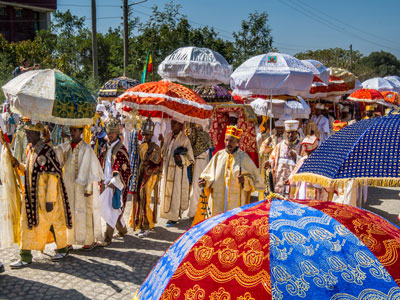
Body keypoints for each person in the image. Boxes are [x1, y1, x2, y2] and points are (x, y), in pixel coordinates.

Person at [10, 121, 72, 269]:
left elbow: (53, 176)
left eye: (29, 133)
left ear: (37, 134)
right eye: (26, 133)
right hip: (31, 196)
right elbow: (29, 170)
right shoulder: (31, 149)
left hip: (45, 197)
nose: (27, 136)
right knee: (27, 224)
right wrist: (18, 165)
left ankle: (62, 248)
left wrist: (50, 200)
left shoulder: (47, 151)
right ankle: (25, 255)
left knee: (52, 223)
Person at [55, 126, 104, 250]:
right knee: (69, 211)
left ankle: (88, 240)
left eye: (75, 130)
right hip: (69, 185)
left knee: (85, 212)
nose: (72, 133)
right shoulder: (65, 147)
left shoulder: (87, 149)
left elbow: (92, 171)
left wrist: (88, 188)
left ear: (81, 131)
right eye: (71, 130)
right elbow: (57, 160)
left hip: (83, 188)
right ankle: (69, 240)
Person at [198, 126, 265, 216]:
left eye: (231, 141)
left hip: (236, 199)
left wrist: (244, 180)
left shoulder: (244, 158)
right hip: (218, 197)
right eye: (226, 140)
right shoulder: (218, 155)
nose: (228, 143)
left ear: (237, 142)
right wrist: (204, 181)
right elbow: (208, 175)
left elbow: (256, 181)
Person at [98, 117, 131, 247]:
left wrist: (115, 181)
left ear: (117, 133)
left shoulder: (121, 150)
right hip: (105, 183)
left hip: (114, 184)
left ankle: (107, 238)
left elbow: (125, 169)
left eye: (112, 133)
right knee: (115, 209)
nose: (110, 135)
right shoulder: (106, 147)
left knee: (110, 210)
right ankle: (123, 230)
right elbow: (101, 162)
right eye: (108, 132)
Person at [159, 119, 194, 227]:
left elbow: (191, 159)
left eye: (174, 123)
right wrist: (162, 142)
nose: (172, 125)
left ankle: (174, 217)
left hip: (178, 172)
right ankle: (168, 214)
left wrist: (181, 158)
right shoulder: (168, 136)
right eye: (171, 123)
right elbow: (163, 154)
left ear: (180, 125)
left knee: (175, 193)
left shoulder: (185, 139)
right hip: (167, 170)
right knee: (166, 191)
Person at [132, 117, 162, 238]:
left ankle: (146, 225)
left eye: (148, 135)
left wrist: (151, 163)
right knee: (140, 199)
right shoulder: (141, 145)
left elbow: (158, 162)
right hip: (141, 175)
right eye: (144, 134)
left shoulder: (155, 147)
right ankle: (140, 222)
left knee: (145, 199)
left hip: (149, 177)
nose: (146, 136)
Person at [264, 120, 301, 197]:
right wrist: (269, 163)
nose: (290, 135)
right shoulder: (279, 146)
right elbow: (273, 159)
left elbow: (305, 163)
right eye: (288, 132)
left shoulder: (301, 147)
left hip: (293, 183)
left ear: (296, 133)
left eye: (293, 132)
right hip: (279, 182)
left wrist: (296, 157)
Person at [289, 135, 328, 200]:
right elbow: (294, 174)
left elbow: (325, 183)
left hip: (314, 195)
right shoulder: (302, 160)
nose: (309, 155)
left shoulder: (321, 162)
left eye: (311, 153)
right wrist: (289, 179)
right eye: (307, 153)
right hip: (301, 192)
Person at [187, 123, 213, 218]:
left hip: (199, 162)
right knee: (200, 186)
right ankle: (200, 210)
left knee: (196, 186)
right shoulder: (206, 135)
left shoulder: (194, 134)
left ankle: (194, 212)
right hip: (205, 162)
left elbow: (189, 148)